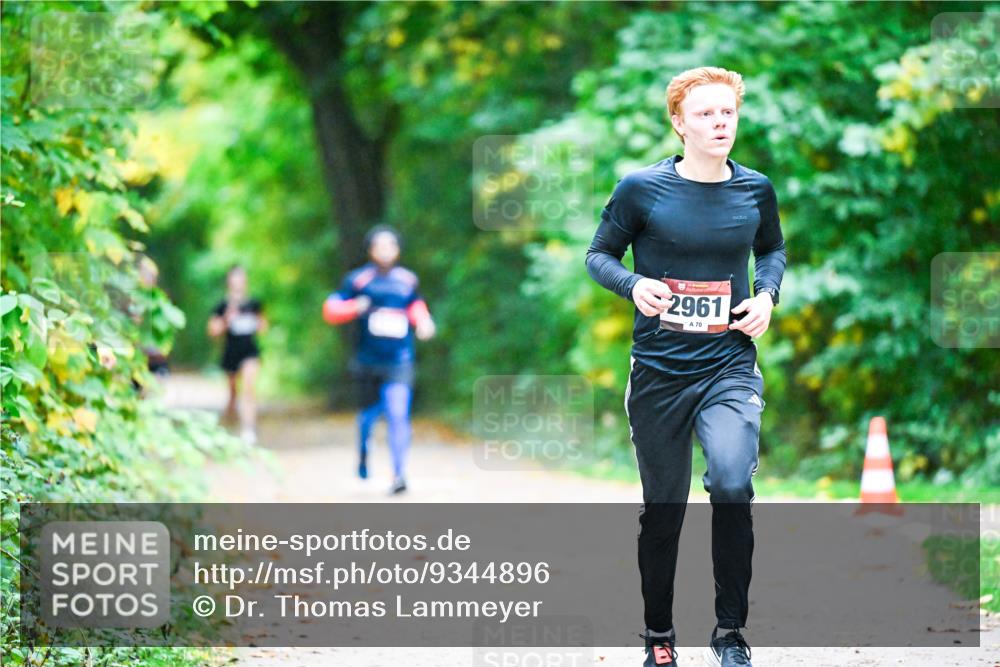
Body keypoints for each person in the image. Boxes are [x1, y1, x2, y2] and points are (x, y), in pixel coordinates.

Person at [586, 67, 786, 667]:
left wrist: (767, 296)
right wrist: (633, 285)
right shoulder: (641, 189)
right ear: (679, 123)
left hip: (728, 364)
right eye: (705, 114)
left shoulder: (755, 190)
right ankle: (659, 638)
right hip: (659, 372)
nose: (719, 123)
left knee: (731, 483)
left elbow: (771, 249)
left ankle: (730, 634)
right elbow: (599, 255)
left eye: (727, 112)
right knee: (663, 510)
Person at [323, 225, 436, 495]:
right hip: (367, 361)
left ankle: (399, 474)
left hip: (399, 360)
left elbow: (416, 307)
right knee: (367, 418)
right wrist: (354, 307)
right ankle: (364, 452)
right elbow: (331, 309)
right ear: (371, 250)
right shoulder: (357, 280)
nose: (385, 251)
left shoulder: (407, 280)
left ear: (397, 250)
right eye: (380, 246)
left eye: (390, 246)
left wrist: (424, 322)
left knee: (398, 414)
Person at [208, 264, 267, 444]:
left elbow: (264, 327)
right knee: (233, 393)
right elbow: (213, 331)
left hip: (250, 351)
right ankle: (227, 424)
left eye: (241, 278)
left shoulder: (253, 304)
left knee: (249, 388)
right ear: (229, 281)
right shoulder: (222, 305)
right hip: (231, 352)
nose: (238, 281)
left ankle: (248, 428)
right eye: (235, 278)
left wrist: (256, 322)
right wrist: (227, 319)